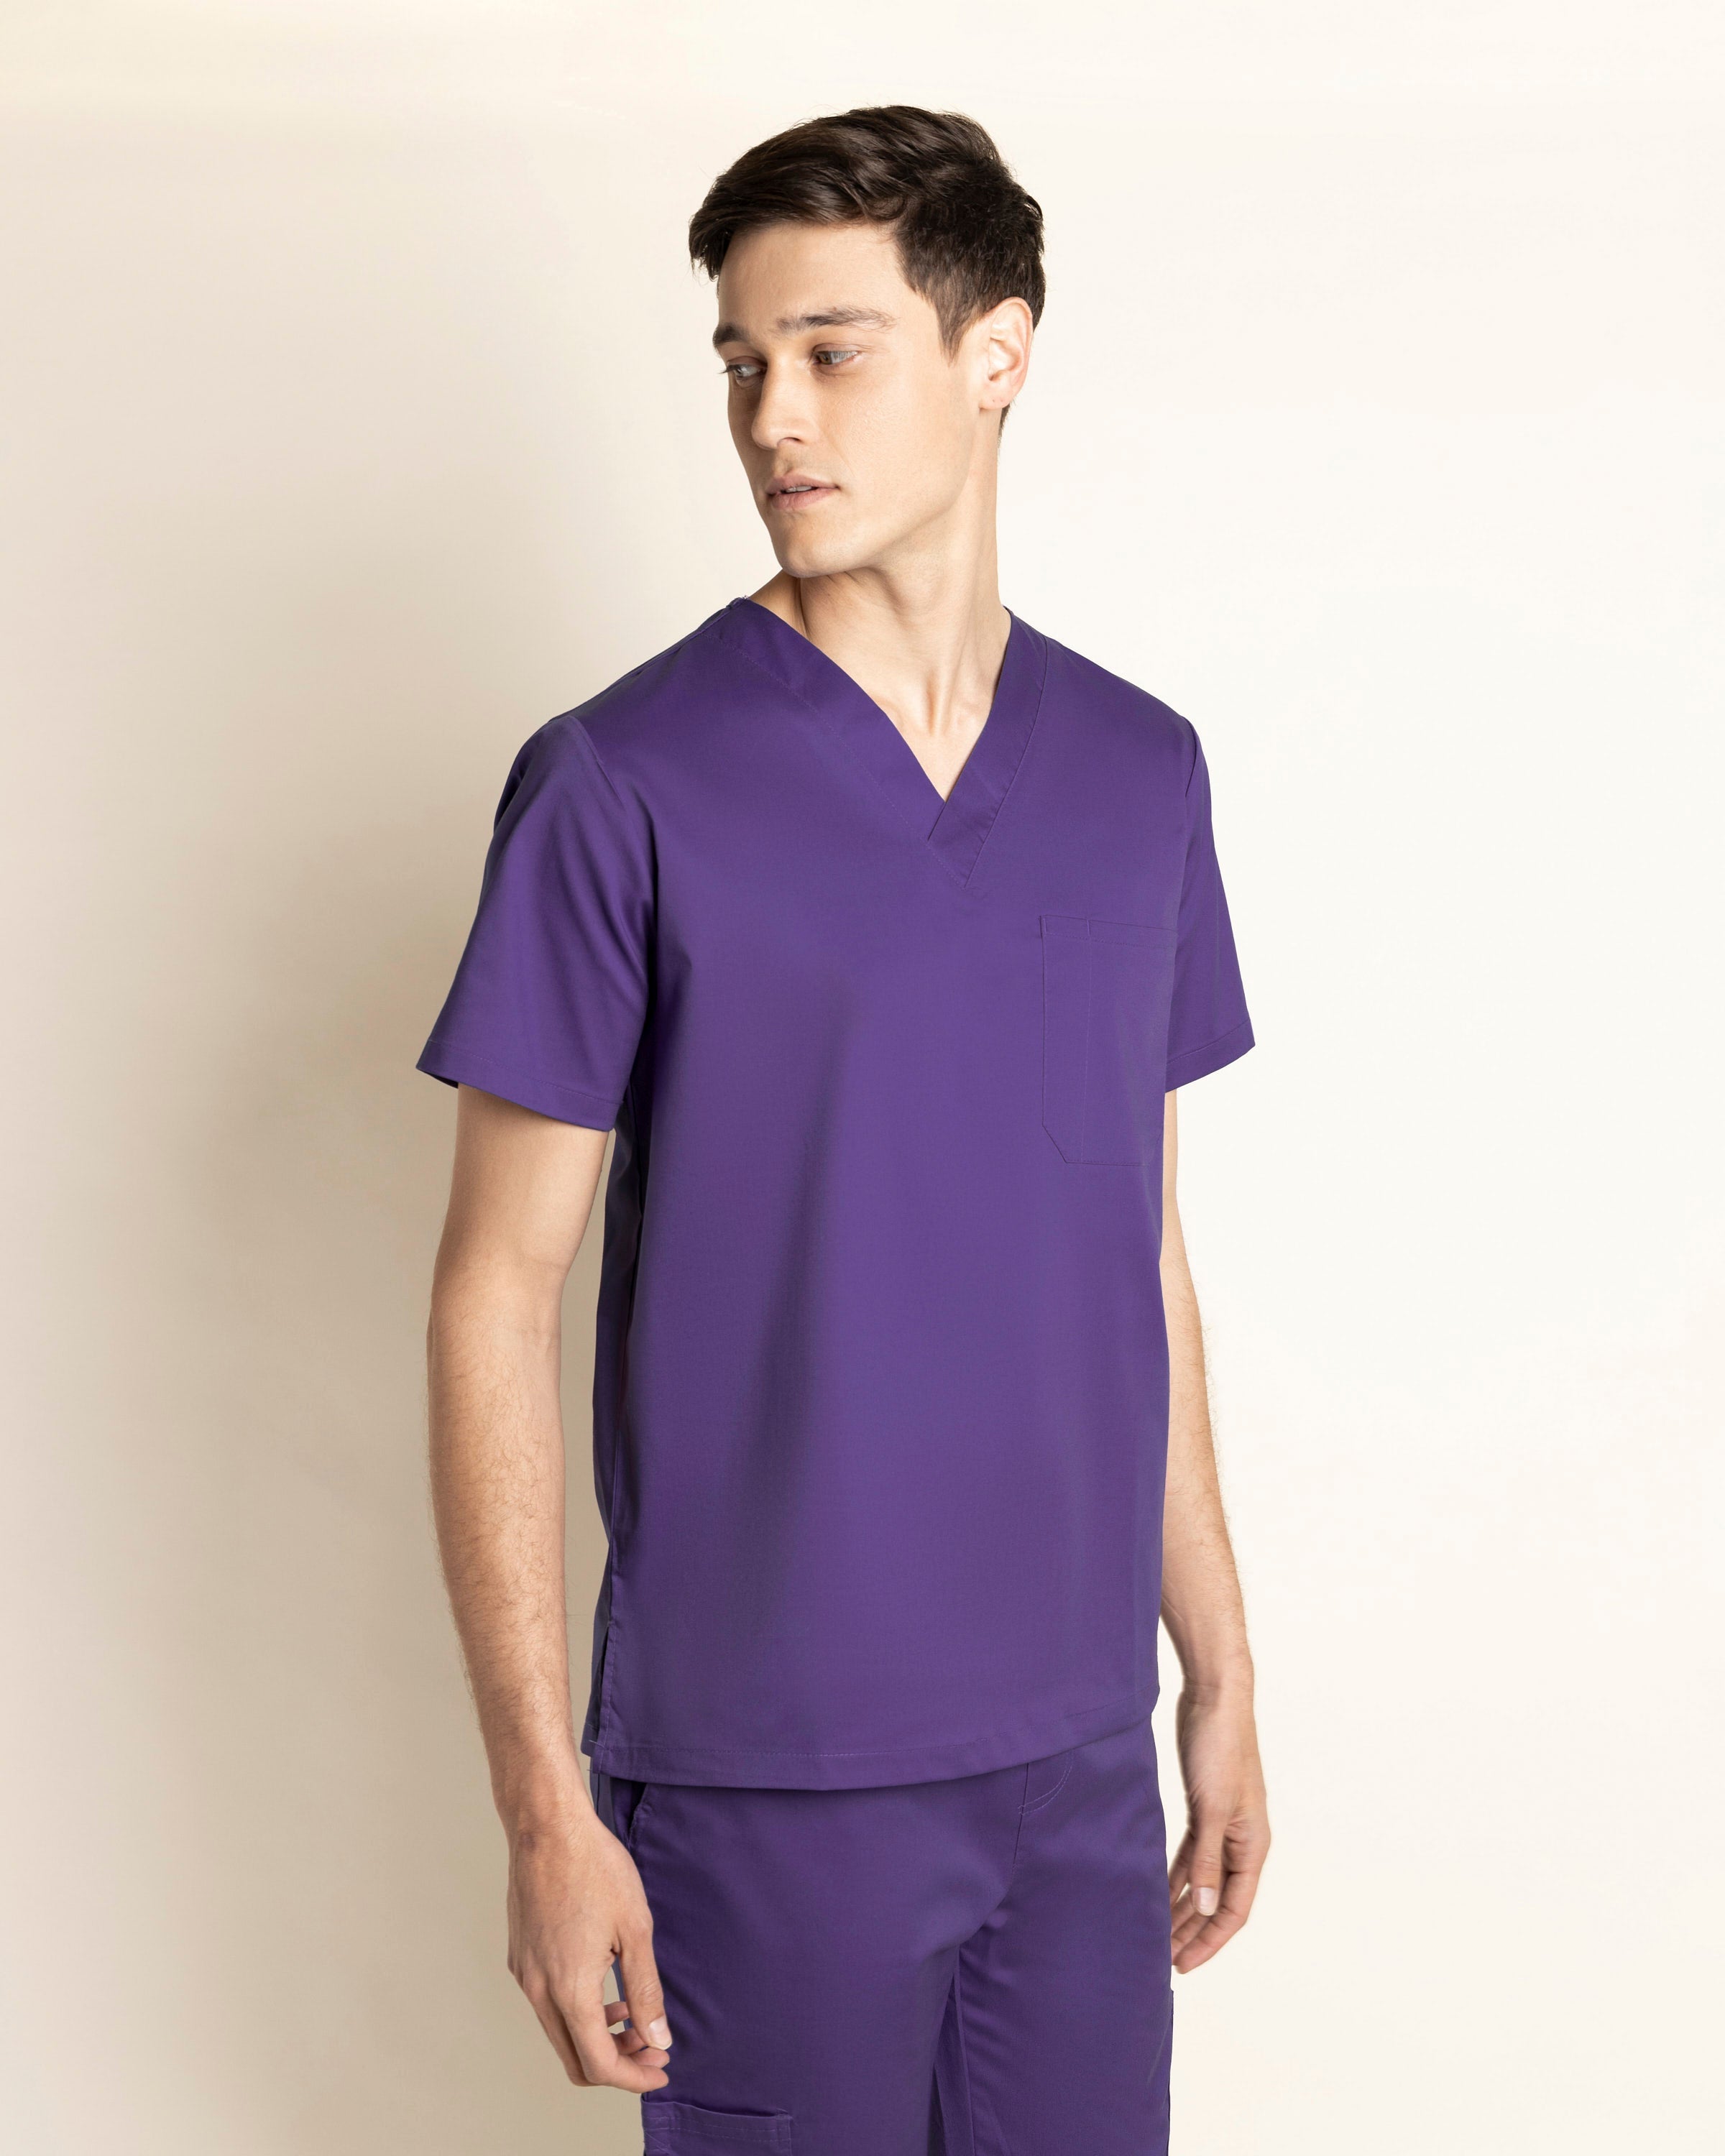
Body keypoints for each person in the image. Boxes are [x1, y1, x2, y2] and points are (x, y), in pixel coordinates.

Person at [419, 104, 1269, 2156]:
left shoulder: (1138, 774)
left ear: (997, 354)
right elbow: (493, 1299)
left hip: (1076, 1765)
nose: (771, 416)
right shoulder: (621, 784)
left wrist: (1220, 1666)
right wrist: (542, 1810)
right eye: (741, 362)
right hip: (760, 1780)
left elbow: (1138, 1255)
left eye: (830, 350)